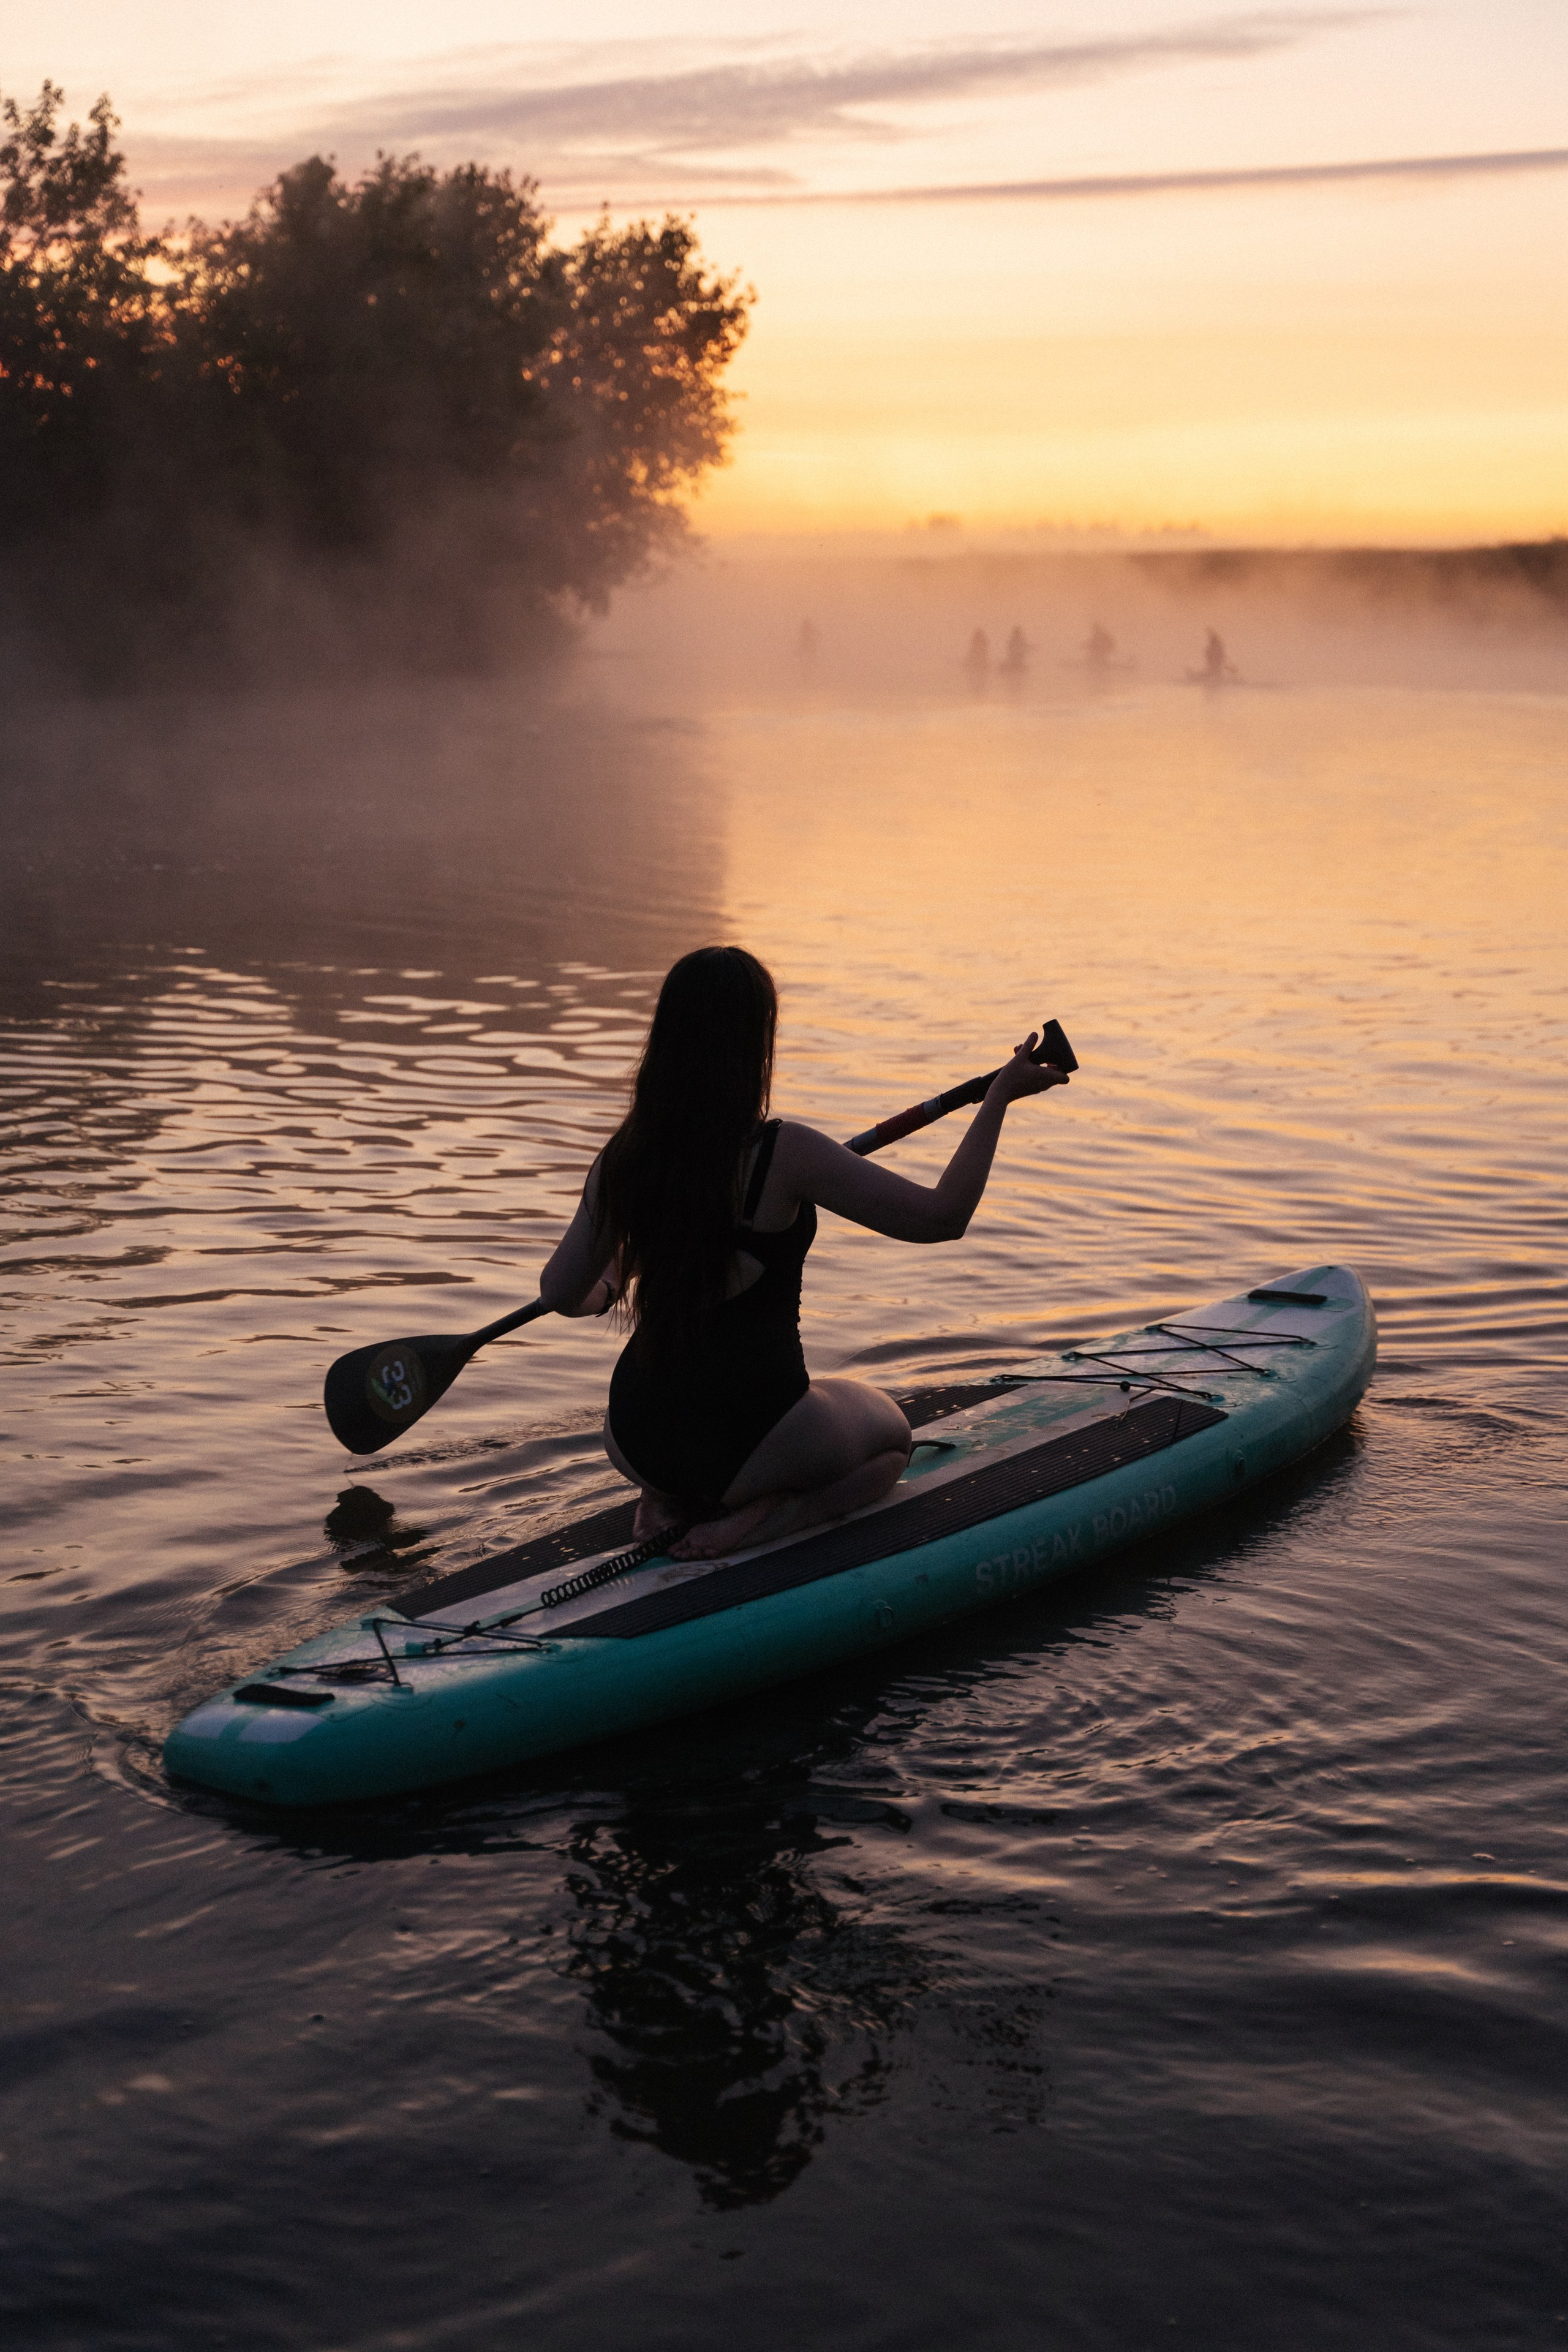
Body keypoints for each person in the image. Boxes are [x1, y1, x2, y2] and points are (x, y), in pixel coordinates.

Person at [539, 947, 1069, 1561]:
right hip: (751, 1435)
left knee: (690, 1412)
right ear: (752, 1045)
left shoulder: (625, 1159)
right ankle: (766, 1518)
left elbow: (561, 1295)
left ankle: (664, 1496)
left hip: (635, 1435)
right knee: (892, 1441)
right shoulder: (786, 1153)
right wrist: (999, 1098)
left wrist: (609, 1284)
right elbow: (942, 1218)